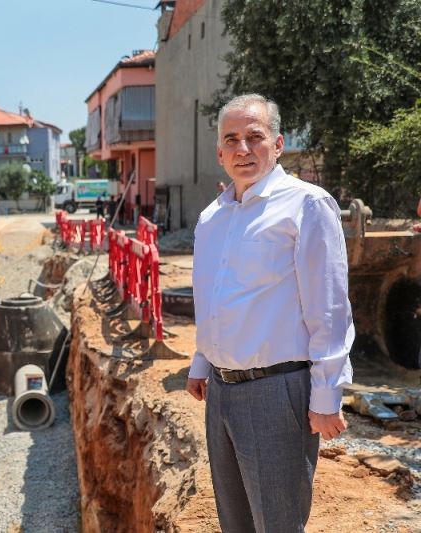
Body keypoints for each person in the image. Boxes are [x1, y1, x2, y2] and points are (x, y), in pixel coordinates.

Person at [185, 94, 353, 532]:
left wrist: (326, 395)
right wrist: (202, 360)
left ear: (277, 144)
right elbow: (213, 297)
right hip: (221, 392)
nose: (243, 149)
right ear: (220, 153)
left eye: (254, 137)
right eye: (232, 140)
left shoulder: (306, 205)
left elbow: (329, 307)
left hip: (277, 393)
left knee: (277, 524)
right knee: (235, 523)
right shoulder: (211, 218)